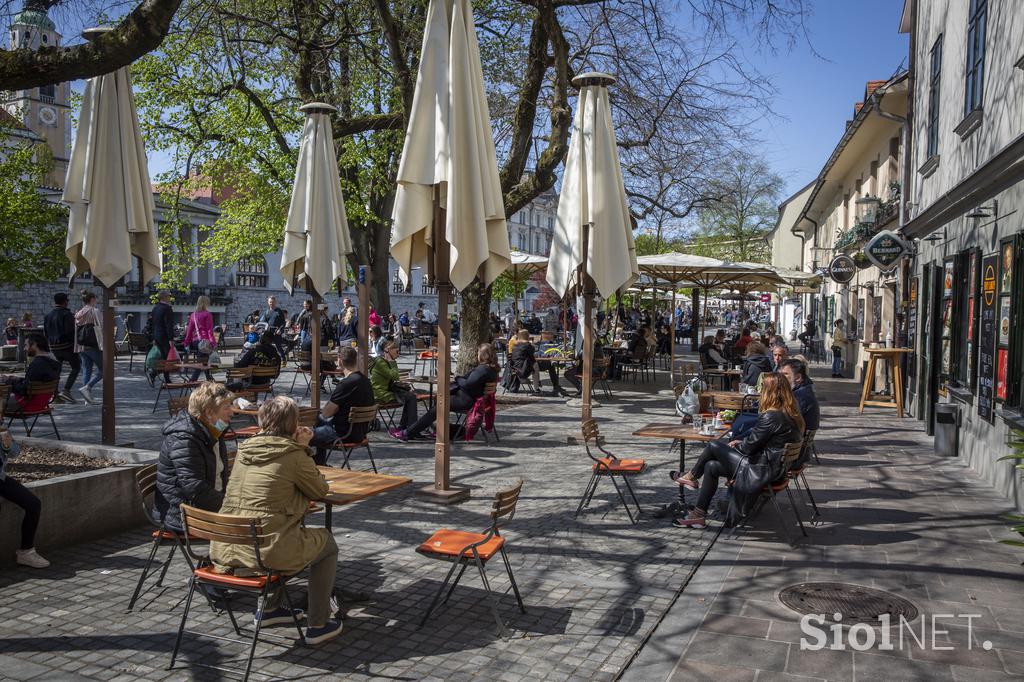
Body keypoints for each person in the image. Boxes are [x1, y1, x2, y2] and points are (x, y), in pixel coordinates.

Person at [210, 396, 342, 644]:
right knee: (326, 543)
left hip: (227, 548)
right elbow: (319, 490)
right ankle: (319, 623)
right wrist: (304, 446)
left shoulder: (245, 449)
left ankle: (270, 610)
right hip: (264, 552)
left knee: (281, 530)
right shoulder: (293, 454)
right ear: (294, 425)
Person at [672, 373, 804, 528]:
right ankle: (698, 515)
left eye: (763, 389)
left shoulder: (771, 416)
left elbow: (748, 449)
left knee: (714, 445)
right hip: (774, 468)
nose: (760, 393)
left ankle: (691, 476)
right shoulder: (791, 413)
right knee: (711, 466)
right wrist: (741, 442)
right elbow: (760, 442)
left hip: (761, 470)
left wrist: (736, 445)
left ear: (769, 392)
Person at [153, 382, 233, 532]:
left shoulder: (213, 429)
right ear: (209, 412)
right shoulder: (184, 439)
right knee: (251, 527)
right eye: (226, 408)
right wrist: (230, 504)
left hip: (206, 504)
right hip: (183, 514)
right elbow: (195, 489)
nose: (232, 412)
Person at [390, 343, 499, 442]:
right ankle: (422, 430)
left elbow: (468, 384)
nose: (477, 355)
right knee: (438, 402)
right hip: (471, 399)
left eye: (478, 353)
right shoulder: (492, 369)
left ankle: (409, 433)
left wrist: (457, 378)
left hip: (466, 400)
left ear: (483, 355)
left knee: (438, 406)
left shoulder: (483, 369)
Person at [310, 347, 374, 465]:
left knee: (304, 436)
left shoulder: (346, 384)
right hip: (361, 432)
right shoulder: (366, 381)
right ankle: (320, 466)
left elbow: (327, 413)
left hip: (343, 433)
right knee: (318, 426)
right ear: (355, 360)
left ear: (340, 361)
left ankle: (314, 469)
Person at [0, 428, 49, 568]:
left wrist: (7, 444)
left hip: (1, 479)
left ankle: (26, 552)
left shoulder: (1, 428)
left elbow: (15, 452)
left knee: (33, 504)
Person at [1, 334, 60, 416]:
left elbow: (23, 391)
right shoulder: (53, 362)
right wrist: (19, 379)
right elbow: (34, 382)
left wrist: (9, 382)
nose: (24, 348)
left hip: (27, 404)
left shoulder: (37, 364)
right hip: (42, 403)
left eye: (26, 345)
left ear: (35, 345)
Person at [370, 340, 419, 430]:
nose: (398, 353)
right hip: (379, 394)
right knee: (411, 397)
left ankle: (406, 427)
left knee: (410, 396)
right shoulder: (380, 362)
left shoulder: (383, 361)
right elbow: (395, 376)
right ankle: (411, 428)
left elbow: (393, 378)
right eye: (396, 351)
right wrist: (392, 361)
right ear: (387, 350)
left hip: (384, 392)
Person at [44, 292, 80, 404]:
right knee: (76, 366)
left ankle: (55, 395)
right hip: (66, 346)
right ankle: (66, 390)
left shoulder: (48, 315)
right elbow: (70, 332)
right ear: (65, 302)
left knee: (57, 370)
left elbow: (45, 332)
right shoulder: (67, 314)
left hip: (53, 347)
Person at [74, 291, 103, 405]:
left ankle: (87, 398)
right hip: (93, 345)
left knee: (87, 370)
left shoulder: (78, 313)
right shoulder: (94, 311)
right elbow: (101, 326)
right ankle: (88, 387)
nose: (96, 301)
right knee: (105, 370)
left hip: (81, 346)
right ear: (92, 299)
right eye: (95, 298)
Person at [780, 358, 820, 434]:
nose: (780, 378)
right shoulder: (803, 390)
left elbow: (786, 421)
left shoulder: (801, 396)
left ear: (798, 377)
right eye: (780, 374)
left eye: (785, 374)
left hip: (793, 440)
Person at [183, 295, 217, 381]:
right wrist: (213, 343)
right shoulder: (207, 314)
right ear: (206, 303)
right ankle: (193, 380)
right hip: (204, 341)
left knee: (204, 360)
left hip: (195, 341)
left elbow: (189, 330)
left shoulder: (193, 315)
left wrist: (186, 343)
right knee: (201, 362)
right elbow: (209, 330)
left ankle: (209, 379)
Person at [150, 291, 176, 385]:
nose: (170, 298)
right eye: (169, 296)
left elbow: (153, 324)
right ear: (164, 297)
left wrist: (153, 337)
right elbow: (168, 325)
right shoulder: (167, 308)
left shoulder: (155, 308)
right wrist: (171, 338)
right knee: (167, 358)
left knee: (162, 358)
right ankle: (164, 377)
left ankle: (155, 374)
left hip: (157, 336)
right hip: (165, 337)